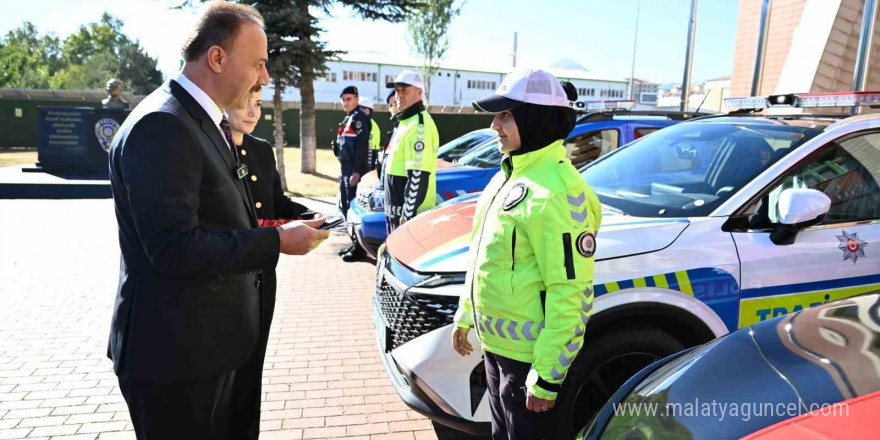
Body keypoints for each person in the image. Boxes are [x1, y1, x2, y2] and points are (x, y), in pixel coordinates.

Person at [107, 3, 330, 439]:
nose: (264, 78)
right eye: (259, 64)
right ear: (217, 58)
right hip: (176, 362)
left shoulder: (197, 121)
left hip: (207, 349)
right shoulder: (163, 125)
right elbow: (174, 248)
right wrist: (278, 242)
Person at [450, 68, 602, 440]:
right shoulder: (508, 175)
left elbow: (572, 292)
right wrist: (466, 315)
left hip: (530, 360)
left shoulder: (559, 192)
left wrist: (549, 374)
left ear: (535, 117)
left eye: (505, 115)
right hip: (497, 348)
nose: (494, 126)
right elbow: (485, 257)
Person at [223, 86, 320, 438]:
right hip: (225, 277)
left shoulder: (261, 151)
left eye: (259, 104)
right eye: (244, 101)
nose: (252, 111)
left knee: (251, 369)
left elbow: (277, 202)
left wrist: (311, 215)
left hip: (262, 278)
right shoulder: (214, 149)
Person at [382, 70, 439, 233]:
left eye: (404, 90)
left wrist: (407, 216)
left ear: (419, 92)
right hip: (396, 214)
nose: (399, 95)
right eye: (397, 90)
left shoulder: (419, 125)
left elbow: (418, 176)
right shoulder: (405, 122)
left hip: (408, 219)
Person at [335, 85, 371, 261]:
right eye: (343, 99)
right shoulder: (348, 118)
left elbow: (362, 148)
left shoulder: (360, 118)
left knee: (354, 208)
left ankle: (359, 249)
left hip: (354, 171)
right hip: (345, 170)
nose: (345, 102)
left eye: (348, 99)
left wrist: (356, 172)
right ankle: (354, 243)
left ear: (357, 100)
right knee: (347, 208)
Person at [358, 97, 382, 172]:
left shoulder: (369, 124)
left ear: (367, 111)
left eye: (358, 109)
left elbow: (370, 151)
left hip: (369, 157)